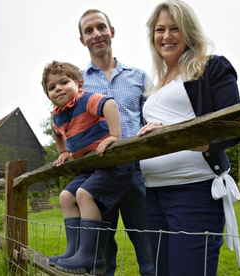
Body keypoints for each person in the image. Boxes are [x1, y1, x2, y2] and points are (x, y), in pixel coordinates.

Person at [137, 0, 240, 275]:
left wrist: (172, 135)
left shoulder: (212, 68)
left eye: (175, 28)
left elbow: (233, 125)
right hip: (153, 195)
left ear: (189, 31)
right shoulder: (153, 88)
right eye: (160, 29)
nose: (166, 36)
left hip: (194, 191)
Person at [78, 9, 155, 276]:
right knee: (102, 258)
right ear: (82, 40)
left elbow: (153, 121)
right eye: (89, 30)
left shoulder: (140, 77)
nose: (96, 34)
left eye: (101, 27)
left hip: (136, 174)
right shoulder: (76, 85)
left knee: (149, 251)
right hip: (97, 177)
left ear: (112, 32)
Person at [41, 60, 134, 275]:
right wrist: (63, 152)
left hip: (112, 163)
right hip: (91, 168)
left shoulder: (85, 100)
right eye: (52, 87)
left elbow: (109, 104)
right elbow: (57, 133)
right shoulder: (57, 115)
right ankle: (75, 251)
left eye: (64, 82)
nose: (58, 88)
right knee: (65, 196)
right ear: (48, 95)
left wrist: (114, 135)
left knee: (84, 194)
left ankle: (91, 255)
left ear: (79, 84)